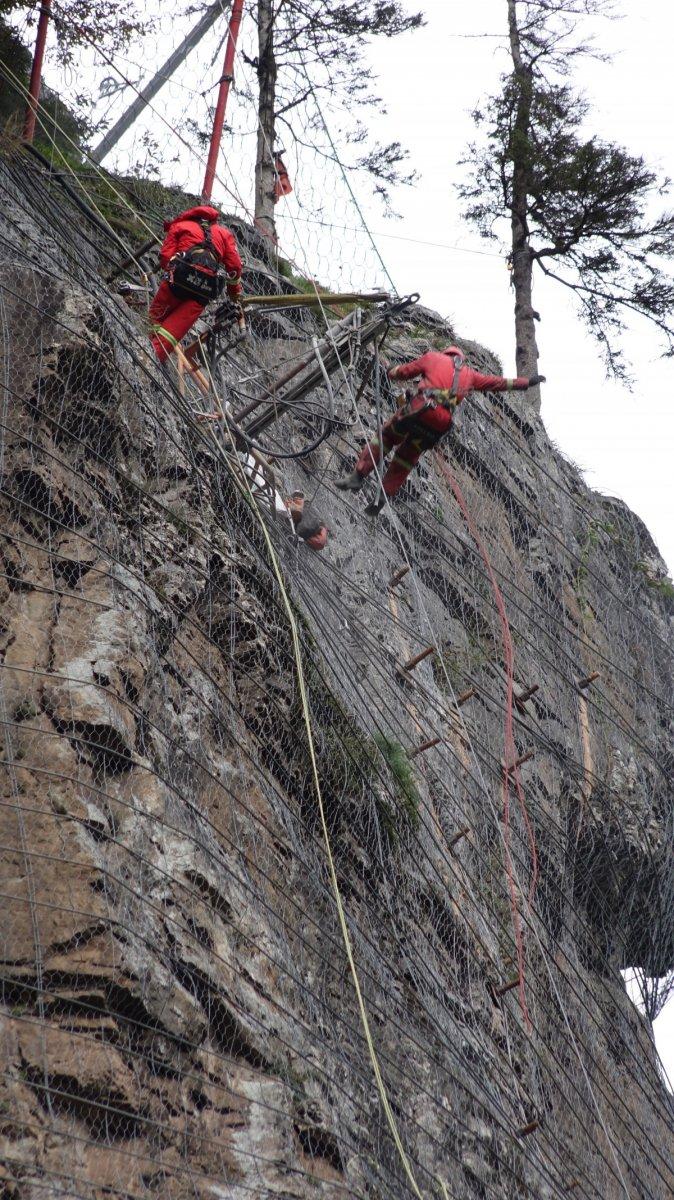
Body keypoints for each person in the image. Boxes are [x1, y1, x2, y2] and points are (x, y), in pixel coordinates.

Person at [335, 346, 545, 515]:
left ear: (447, 353)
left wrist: (391, 371)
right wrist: (527, 382)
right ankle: (383, 496)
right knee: (407, 456)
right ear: (460, 359)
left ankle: (358, 475)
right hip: (439, 424)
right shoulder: (471, 375)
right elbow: (498, 383)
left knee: (387, 437)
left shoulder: (433, 358)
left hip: (419, 410)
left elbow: (404, 372)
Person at [149, 205, 243, 363]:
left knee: (154, 319)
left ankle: (143, 349)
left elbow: (166, 257)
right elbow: (234, 269)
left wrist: (174, 270)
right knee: (171, 332)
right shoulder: (224, 234)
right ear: (213, 220)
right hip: (203, 292)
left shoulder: (180, 226)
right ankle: (153, 359)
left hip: (176, 284)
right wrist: (234, 293)